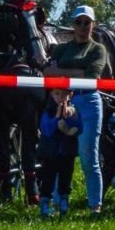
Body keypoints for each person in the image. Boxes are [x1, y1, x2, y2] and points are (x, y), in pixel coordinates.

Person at [46, 5, 110, 213]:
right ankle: (57, 201)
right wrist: (76, 72)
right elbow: (48, 73)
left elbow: (93, 77)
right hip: (65, 103)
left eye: (87, 22)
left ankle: (95, 206)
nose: (83, 27)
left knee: (88, 156)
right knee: (59, 154)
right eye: (78, 22)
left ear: (94, 24)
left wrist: (62, 73)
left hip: (89, 102)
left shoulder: (98, 49)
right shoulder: (61, 48)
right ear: (72, 25)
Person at [37, 88, 79, 216]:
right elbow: (46, 130)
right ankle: (44, 204)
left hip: (67, 152)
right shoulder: (48, 111)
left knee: (65, 178)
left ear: (71, 95)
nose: (60, 98)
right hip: (49, 153)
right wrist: (56, 117)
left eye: (64, 94)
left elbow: (78, 128)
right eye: (57, 94)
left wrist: (70, 120)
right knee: (48, 179)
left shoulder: (74, 111)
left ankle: (63, 202)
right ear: (51, 95)